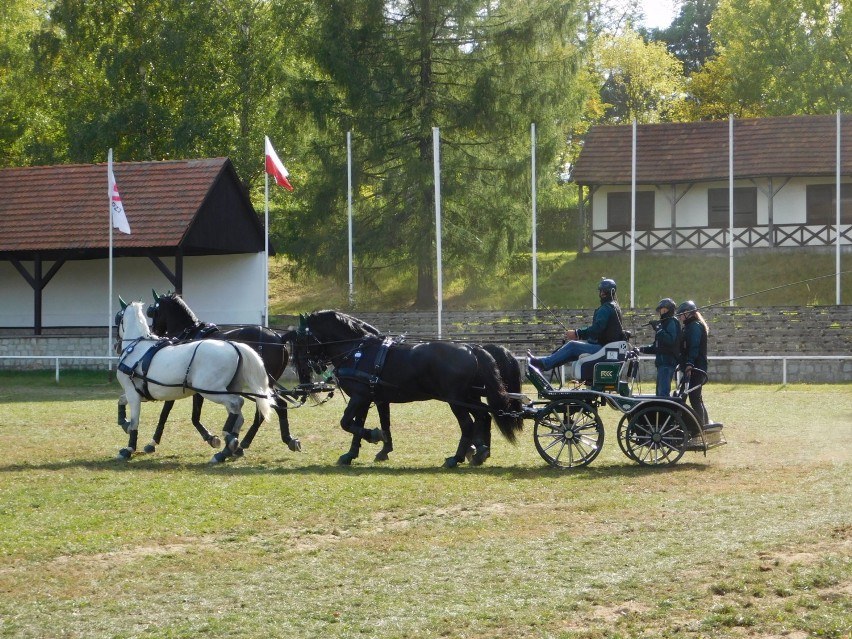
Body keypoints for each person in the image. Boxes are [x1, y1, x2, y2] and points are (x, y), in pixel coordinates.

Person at [528, 278, 626, 371]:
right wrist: (581, 336)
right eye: (600, 291)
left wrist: (577, 333)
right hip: (605, 347)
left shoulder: (606, 309)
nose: (601, 294)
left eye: (603, 292)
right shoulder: (615, 307)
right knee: (571, 350)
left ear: (610, 292)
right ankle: (547, 363)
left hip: (603, 348)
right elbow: (600, 332)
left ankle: (544, 364)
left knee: (572, 346)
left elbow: (597, 329)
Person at [639, 298, 681, 396]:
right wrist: (641, 349)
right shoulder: (664, 324)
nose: (661, 312)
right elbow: (657, 347)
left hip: (667, 363)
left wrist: (658, 328)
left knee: (663, 394)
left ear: (669, 310)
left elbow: (670, 340)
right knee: (659, 394)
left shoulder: (672, 322)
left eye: (663, 309)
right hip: (662, 364)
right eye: (661, 310)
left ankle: (666, 411)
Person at [677, 300, 710, 425]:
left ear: (687, 313)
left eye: (681, 314)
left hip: (696, 367)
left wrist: (690, 364)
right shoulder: (690, 326)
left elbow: (694, 347)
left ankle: (701, 426)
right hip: (694, 366)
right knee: (696, 397)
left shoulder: (695, 326)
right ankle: (704, 424)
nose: (680, 317)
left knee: (695, 398)